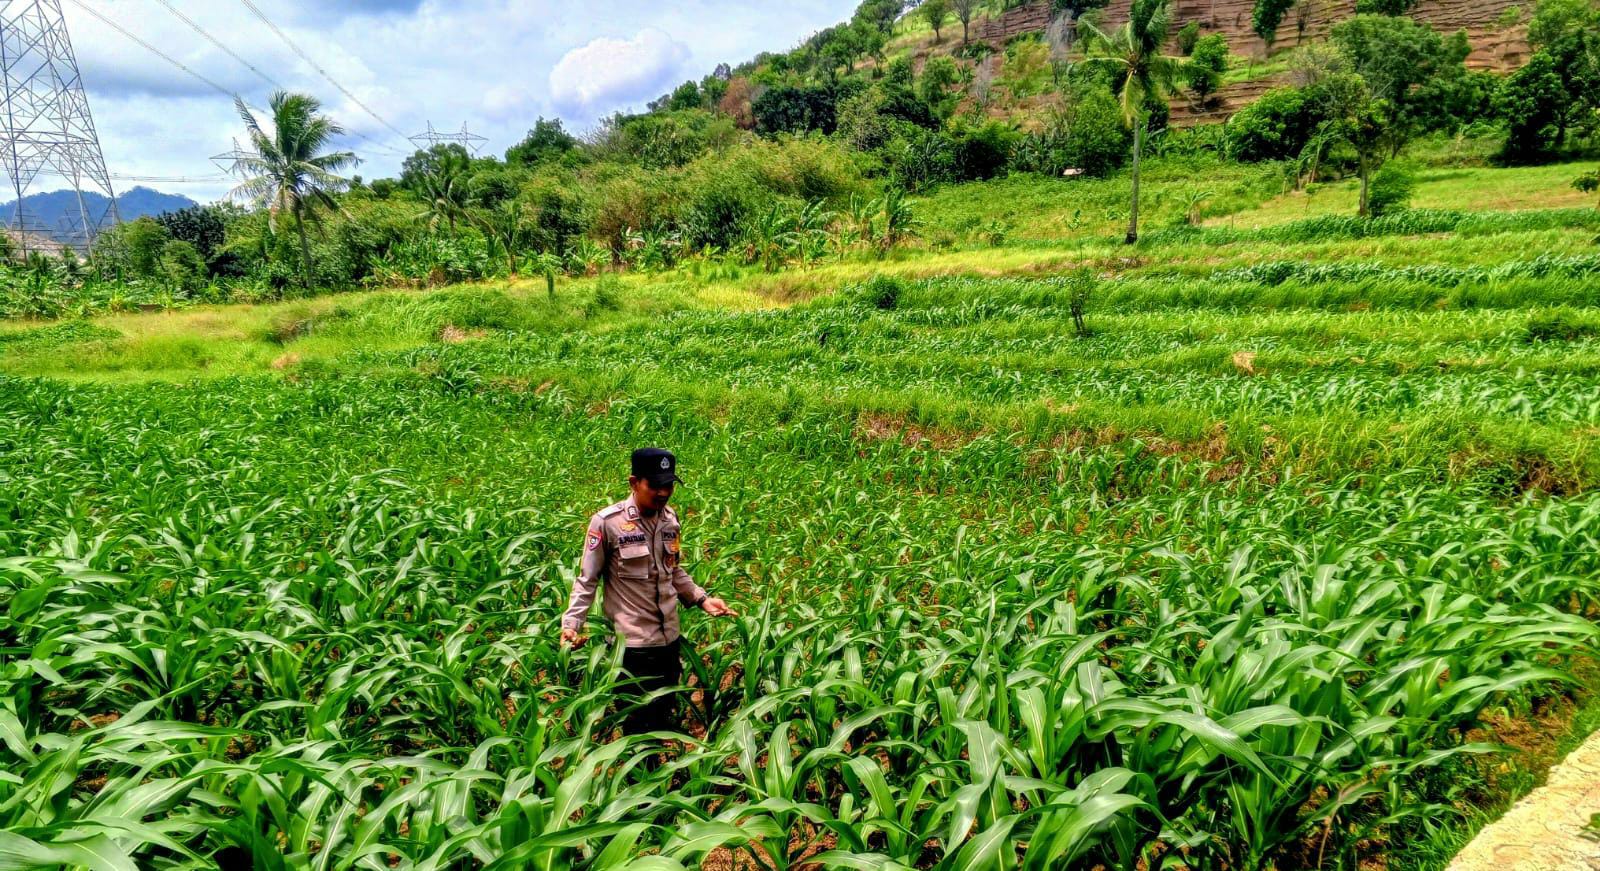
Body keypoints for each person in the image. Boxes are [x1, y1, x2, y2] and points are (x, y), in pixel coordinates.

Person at [560, 447, 737, 735]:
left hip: (668, 640)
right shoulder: (607, 523)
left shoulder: (670, 520)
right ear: (634, 482)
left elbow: (673, 570)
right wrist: (572, 624)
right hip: (632, 647)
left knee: (663, 715)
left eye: (668, 485)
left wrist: (702, 598)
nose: (663, 492)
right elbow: (587, 579)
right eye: (655, 485)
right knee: (638, 725)